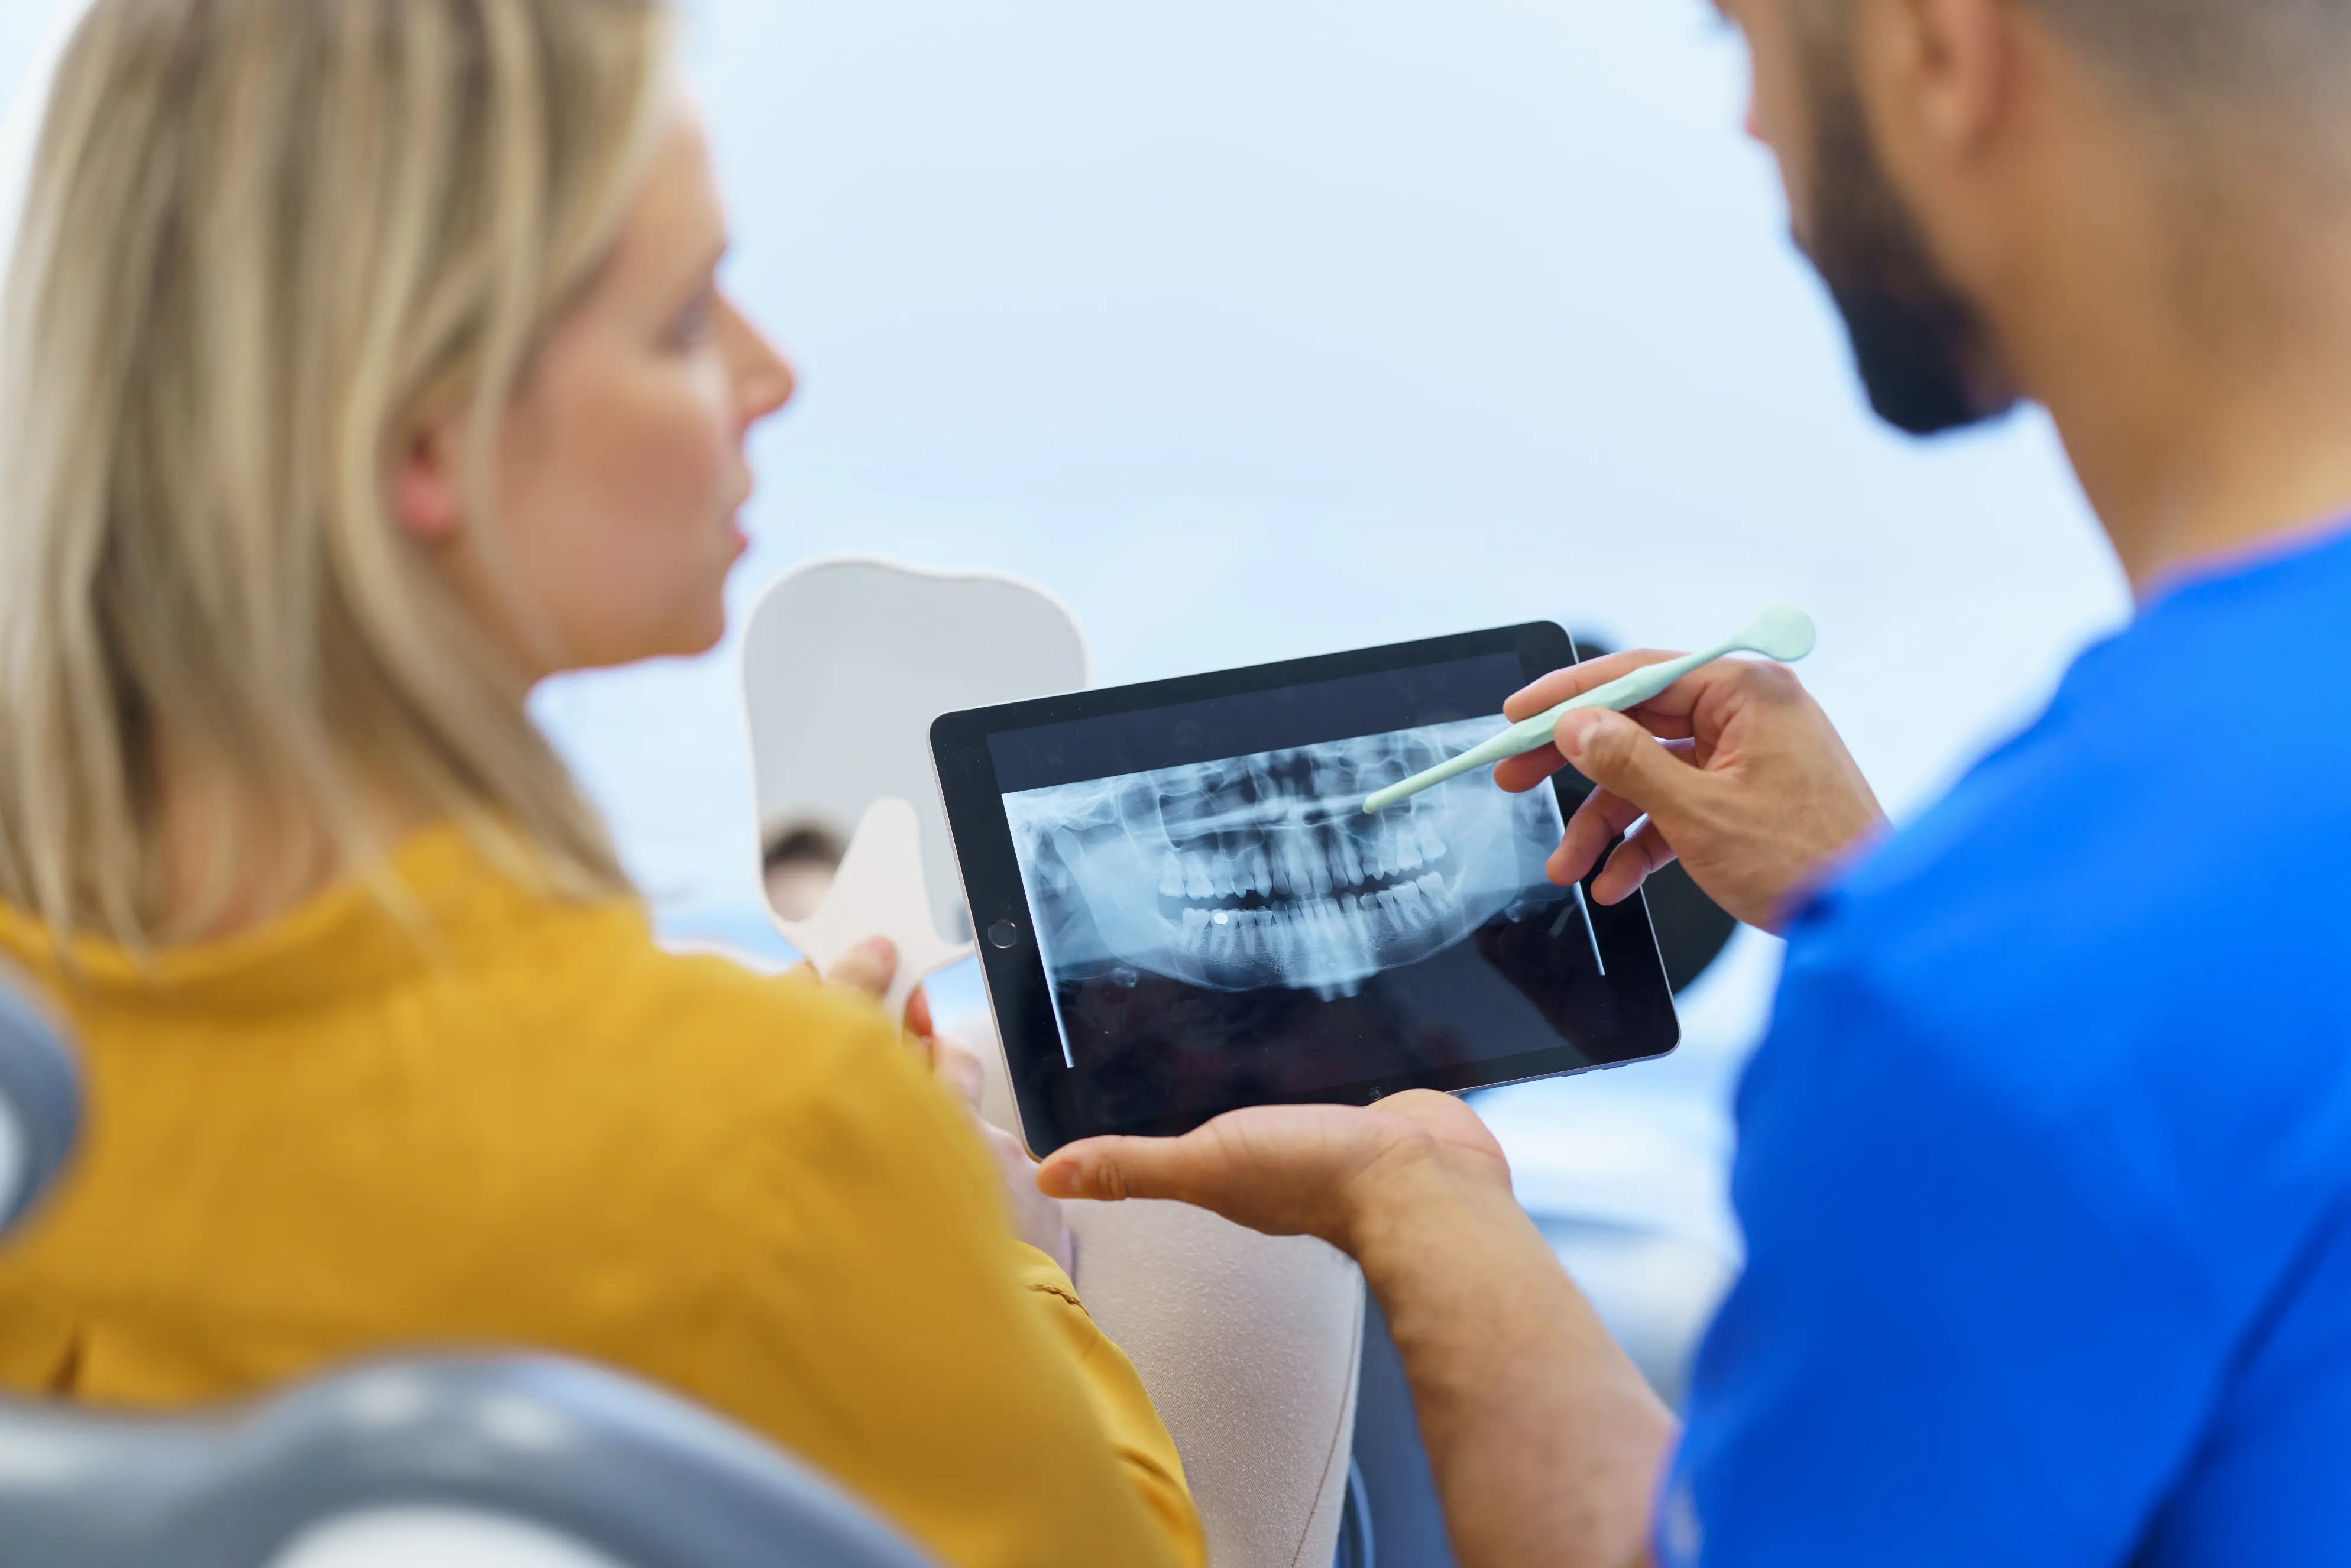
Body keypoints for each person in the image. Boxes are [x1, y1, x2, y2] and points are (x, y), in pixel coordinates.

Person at [1037, 1, 2351, 1564]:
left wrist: (1419, 1197)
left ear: (1940, 51)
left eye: (1745, 41)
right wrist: (1884, 897)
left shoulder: (1995, 999)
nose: (1750, 131)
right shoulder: (2075, 950)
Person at [0, 4, 1203, 1566]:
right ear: (426, 424)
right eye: (689, 320)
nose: (774, 373)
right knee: (1264, 1285)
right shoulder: (785, 1146)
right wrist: (971, 1231)